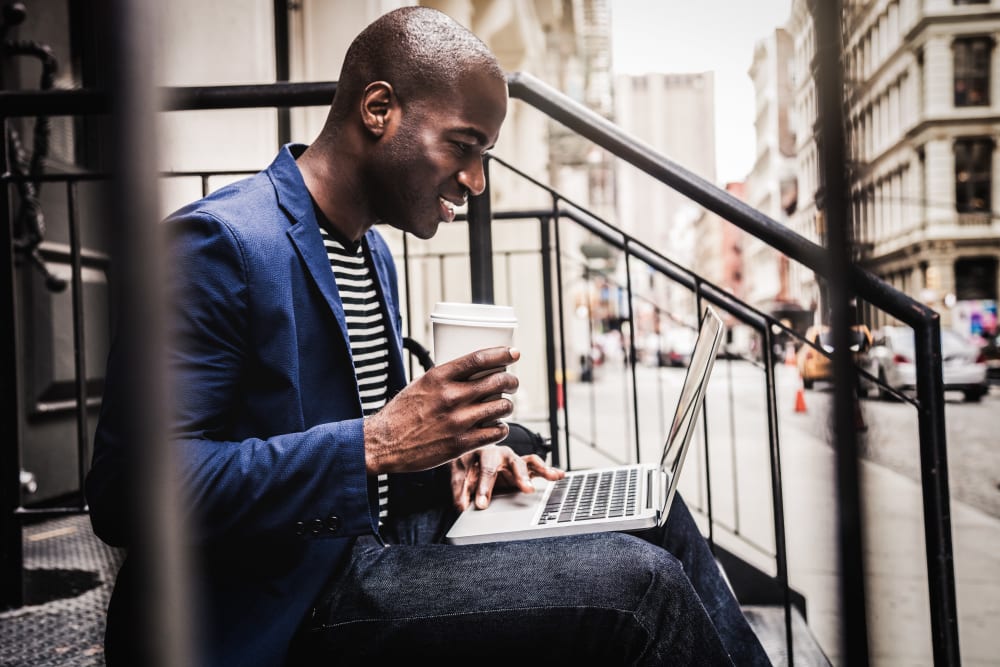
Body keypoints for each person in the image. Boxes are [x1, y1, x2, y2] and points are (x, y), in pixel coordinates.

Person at [86, 6, 770, 666]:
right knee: (639, 588)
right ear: (378, 110)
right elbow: (128, 493)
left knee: (657, 510)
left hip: (374, 541)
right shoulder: (218, 244)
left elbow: (370, 448)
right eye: (463, 147)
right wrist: (380, 441)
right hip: (288, 601)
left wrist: (453, 460)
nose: (475, 181)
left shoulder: (369, 252)